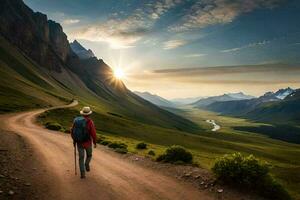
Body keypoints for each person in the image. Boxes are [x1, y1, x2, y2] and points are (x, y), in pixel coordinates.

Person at [71, 106, 97, 179]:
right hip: (88, 143)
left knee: (81, 158)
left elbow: (72, 131)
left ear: (82, 114)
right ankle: (87, 164)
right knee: (89, 155)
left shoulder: (76, 121)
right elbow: (93, 133)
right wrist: (95, 142)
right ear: (89, 114)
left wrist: (74, 141)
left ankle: (83, 174)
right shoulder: (90, 122)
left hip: (79, 143)